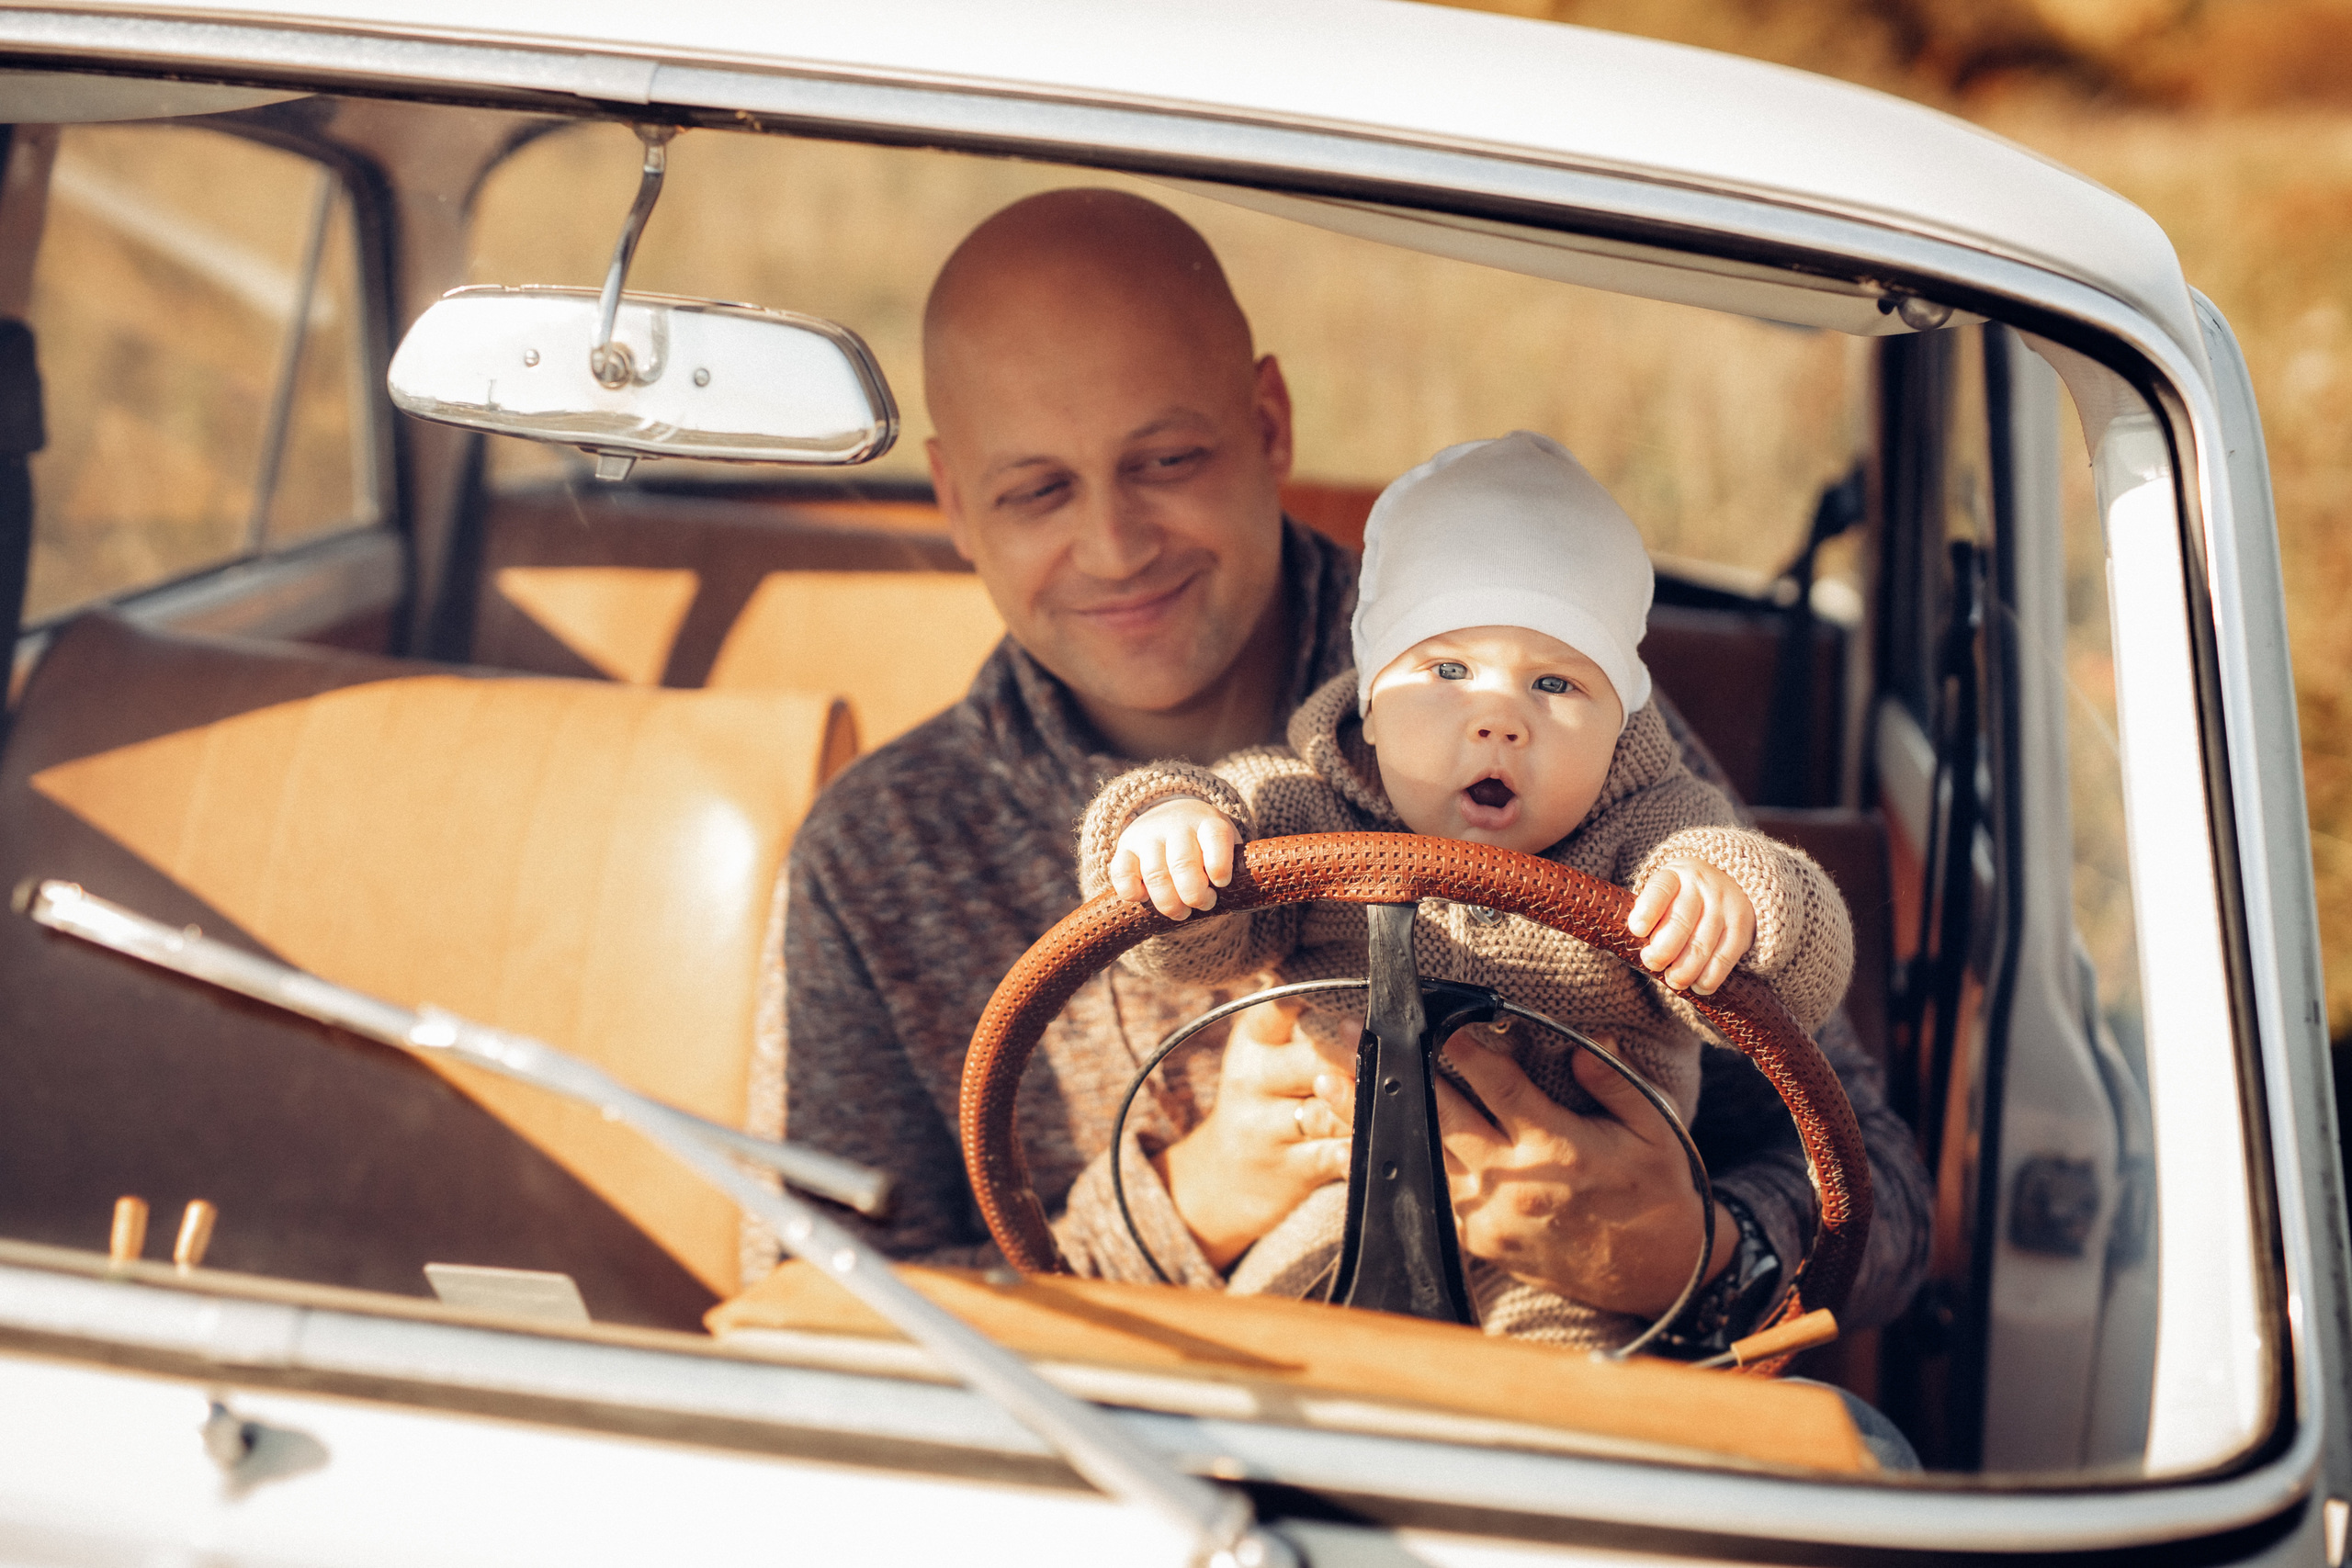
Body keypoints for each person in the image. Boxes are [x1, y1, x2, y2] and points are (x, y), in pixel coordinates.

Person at [780, 187, 1927, 1350]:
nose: (1116, 547)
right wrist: (1190, 1209)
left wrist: (1687, 1252)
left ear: (1270, 423)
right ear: (952, 502)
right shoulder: (877, 851)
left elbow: (1879, 1195)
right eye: (1036, 489)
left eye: (1167, 458)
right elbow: (825, 1321)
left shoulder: (1534, 695)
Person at [1081, 430, 1854, 1343]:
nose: (1499, 720)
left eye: (1556, 683)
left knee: (1561, 1401)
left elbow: (1790, 990)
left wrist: (1738, 903)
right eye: (1447, 671)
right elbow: (1189, 942)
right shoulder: (1298, 802)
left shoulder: (1657, 833)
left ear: (1620, 722)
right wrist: (1168, 832)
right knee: (1258, 1362)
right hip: (1336, 1202)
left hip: (1569, 1242)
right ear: (1370, 694)